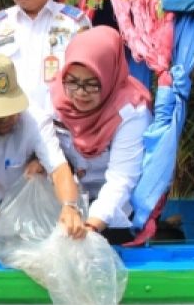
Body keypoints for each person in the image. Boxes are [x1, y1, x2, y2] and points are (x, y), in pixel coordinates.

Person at [0, 52, 84, 241]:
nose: (5, 121)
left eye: (11, 111)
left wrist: (69, 207)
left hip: (25, 213)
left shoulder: (35, 119)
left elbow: (58, 168)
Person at [49, 26, 152, 245]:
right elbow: (49, 154)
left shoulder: (131, 111)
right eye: (73, 82)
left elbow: (121, 179)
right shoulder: (55, 98)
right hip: (66, 205)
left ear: (108, 75)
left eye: (92, 84)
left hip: (115, 212)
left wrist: (92, 225)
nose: (80, 93)